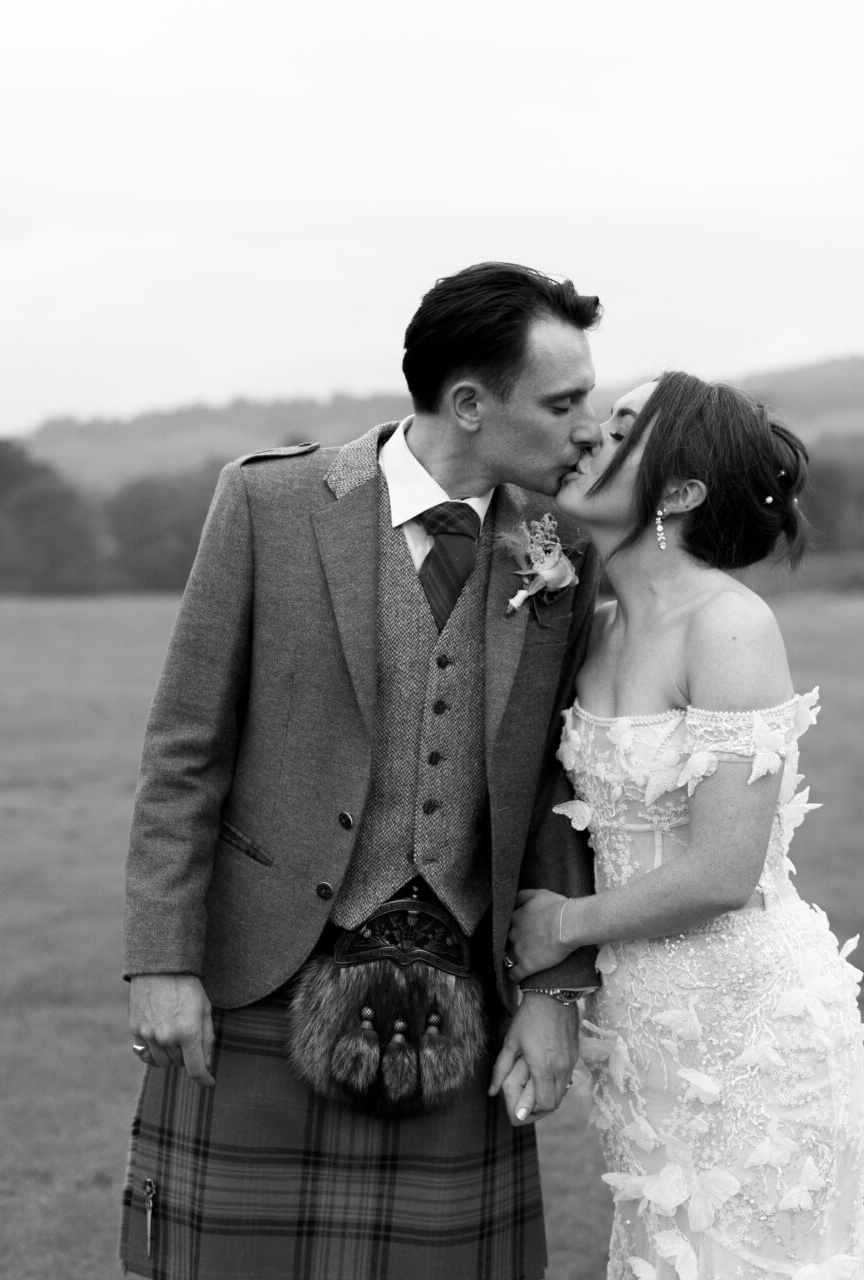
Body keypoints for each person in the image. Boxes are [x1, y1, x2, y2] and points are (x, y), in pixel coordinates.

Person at [120, 262, 606, 1280]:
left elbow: (561, 789)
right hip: (264, 972)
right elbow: (183, 751)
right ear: (469, 404)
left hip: (463, 985)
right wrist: (162, 961)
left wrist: (555, 990)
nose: (587, 430)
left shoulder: (558, 544)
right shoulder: (269, 502)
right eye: (563, 404)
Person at [508, 371, 864, 1279]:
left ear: (678, 493)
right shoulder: (594, 626)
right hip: (644, 1034)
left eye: (623, 429)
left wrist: (562, 926)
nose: (590, 435)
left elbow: (725, 868)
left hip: (753, 1028)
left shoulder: (729, 625)